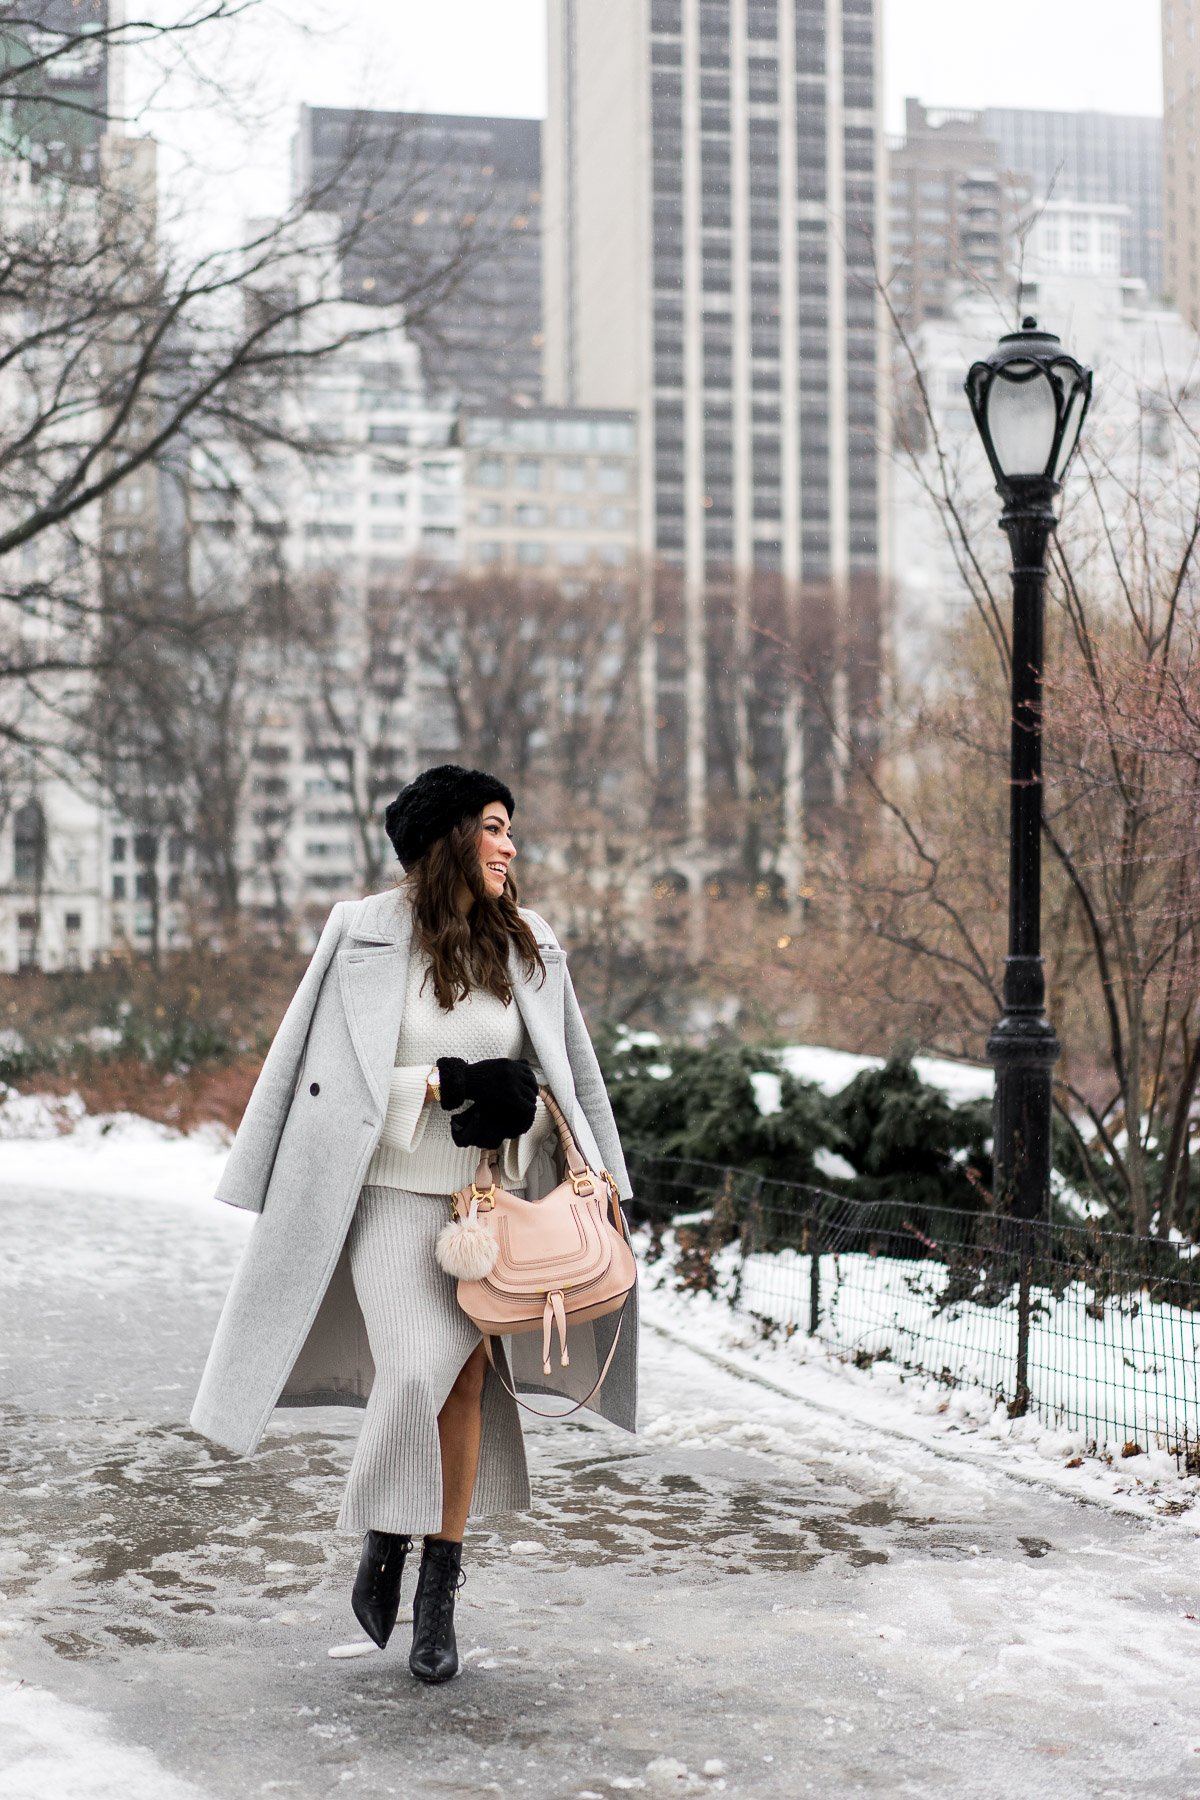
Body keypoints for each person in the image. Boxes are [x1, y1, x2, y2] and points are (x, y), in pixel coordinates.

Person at [191, 764, 637, 1683]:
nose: (510, 845)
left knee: (465, 1384)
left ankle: (436, 1590)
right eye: (494, 826)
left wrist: (526, 1106)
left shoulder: (530, 944)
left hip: (489, 1202)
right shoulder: (361, 933)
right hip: (391, 1199)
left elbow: (568, 1076)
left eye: (511, 829)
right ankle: (384, 1538)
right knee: (414, 1366)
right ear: (447, 838)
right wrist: (443, 1084)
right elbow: (328, 1086)